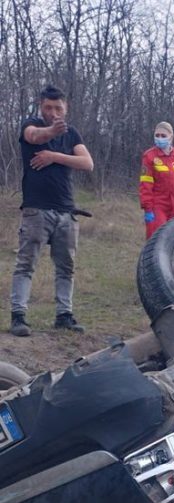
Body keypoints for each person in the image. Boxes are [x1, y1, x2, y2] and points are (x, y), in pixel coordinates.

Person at [9, 84, 94, 337]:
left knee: (66, 266)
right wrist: (50, 133)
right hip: (37, 209)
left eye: (58, 107)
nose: (54, 112)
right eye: (48, 107)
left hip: (65, 210)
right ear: (41, 107)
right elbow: (34, 136)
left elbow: (87, 163)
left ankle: (64, 315)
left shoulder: (71, 134)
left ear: (66, 108)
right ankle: (18, 316)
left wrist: (54, 156)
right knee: (26, 264)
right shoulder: (30, 124)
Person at [139, 121, 174, 239]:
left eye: (163, 136)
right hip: (158, 204)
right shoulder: (149, 156)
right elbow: (146, 185)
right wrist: (148, 208)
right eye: (157, 135)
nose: (159, 138)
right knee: (157, 238)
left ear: (171, 137)